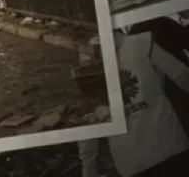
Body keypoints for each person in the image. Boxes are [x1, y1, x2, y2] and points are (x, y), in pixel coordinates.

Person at [78, 17, 189, 177]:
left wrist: (88, 168)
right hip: (169, 145)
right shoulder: (142, 42)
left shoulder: (86, 63)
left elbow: (88, 130)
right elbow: (182, 75)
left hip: (132, 164)